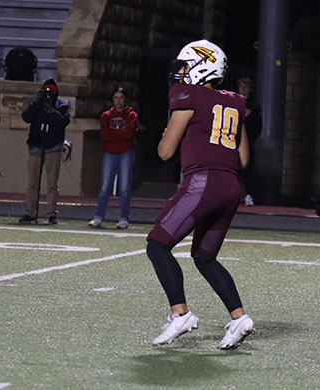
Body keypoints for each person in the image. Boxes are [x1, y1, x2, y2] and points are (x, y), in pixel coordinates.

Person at [146, 39, 254, 349]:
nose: (180, 73)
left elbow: (166, 152)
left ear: (202, 66)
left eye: (185, 66)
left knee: (157, 245)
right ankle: (238, 318)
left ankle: (180, 314)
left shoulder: (189, 96)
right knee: (205, 257)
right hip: (230, 186)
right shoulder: (235, 102)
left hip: (203, 182)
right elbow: (244, 159)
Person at [18, 79, 71, 225]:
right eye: (46, 91)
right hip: (36, 146)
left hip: (53, 147)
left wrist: (52, 110)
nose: (49, 95)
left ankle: (51, 214)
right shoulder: (37, 104)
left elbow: (63, 122)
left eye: (51, 91)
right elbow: (26, 117)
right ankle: (30, 212)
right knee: (33, 182)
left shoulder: (62, 106)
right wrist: (37, 103)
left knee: (52, 183)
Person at [87, 87, 138, 230]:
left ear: (126, 100)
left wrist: (115, 134)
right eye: (116, 97)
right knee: (104, 187)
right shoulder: (106, 116)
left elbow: (129, 134)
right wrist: (120, 133)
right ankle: (98, 216)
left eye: (121, 97)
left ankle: (123, 218)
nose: (119, 100)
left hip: (126, 153)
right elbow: (105, 135)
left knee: (124, 187)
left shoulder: (132, 115)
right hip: (110, 152)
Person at [237, 77, 262, 206]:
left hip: (247, 141)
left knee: (247, 169)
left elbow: (258, 125)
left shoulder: (254, 106)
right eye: (241, 86)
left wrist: (251, 140)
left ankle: (248, 195)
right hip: (234, 140)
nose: (243, 89)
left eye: (246, 87)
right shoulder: (234, 101)